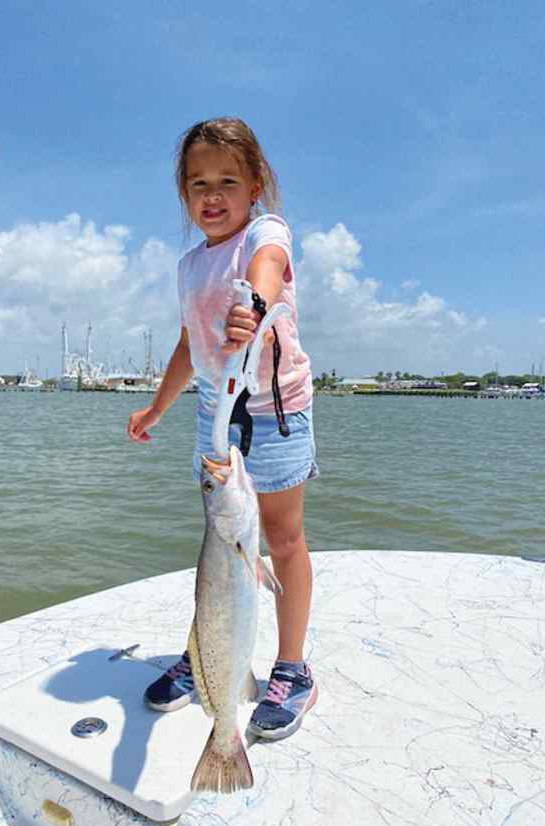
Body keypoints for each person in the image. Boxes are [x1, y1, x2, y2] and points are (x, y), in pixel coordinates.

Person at [127, 117, 318, 741]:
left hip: (274, 409)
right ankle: (207, 651)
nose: (213, 195)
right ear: (184, 194)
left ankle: (292, 669)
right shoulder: (188, 267)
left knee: (282, 542)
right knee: (219, 543)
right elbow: (190, 343)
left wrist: (254, 306)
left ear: (255, 184)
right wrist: (157, 408)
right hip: (215, 414)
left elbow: (267, 266)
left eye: (228, 181)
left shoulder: (265, 232)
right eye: (198, 183)